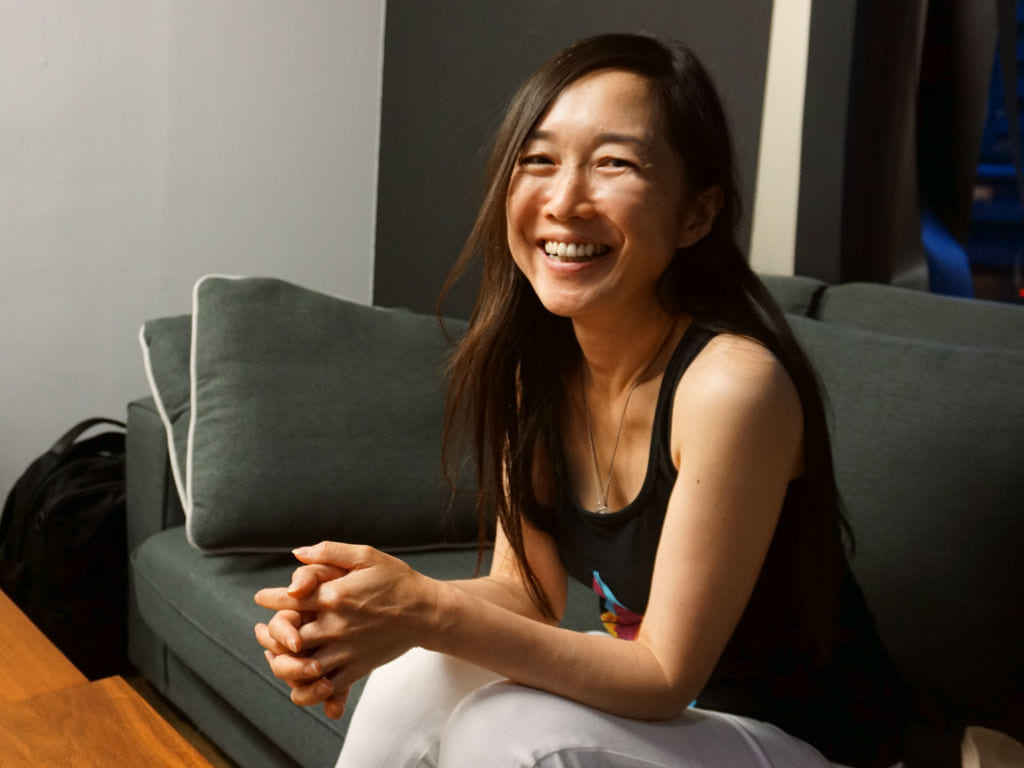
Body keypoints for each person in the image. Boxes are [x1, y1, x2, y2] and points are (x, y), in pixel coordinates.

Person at [254, 33, 908, 768]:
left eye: (614, 163)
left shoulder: (732, 386)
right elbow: (524, 592)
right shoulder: (538, 370)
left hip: (810, 744)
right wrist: (358, 611)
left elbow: (663, 674)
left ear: (696, 215)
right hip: (677, 727)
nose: (564, 201)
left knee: (503, 728)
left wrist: (426, 609)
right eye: (539, 160)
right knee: (419, 670)